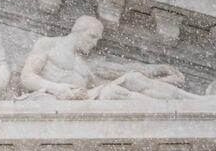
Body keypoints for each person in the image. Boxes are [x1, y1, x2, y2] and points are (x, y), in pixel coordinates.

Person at [21, 15, 199, 100]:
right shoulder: (49, 44)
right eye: (92, 36)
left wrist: (160, 73)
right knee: (113, 92)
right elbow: (27, 76)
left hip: (85, 99)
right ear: (77, 30)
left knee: (132, 78)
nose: (94, 43)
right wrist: (56, 88)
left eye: (97, 39)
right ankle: (164, 112)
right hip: (60, 101)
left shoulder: (83, 64)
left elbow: (119, 72)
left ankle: (191, 101)